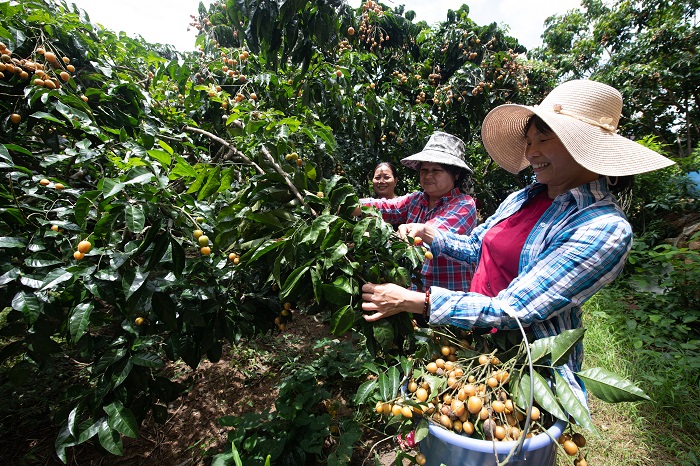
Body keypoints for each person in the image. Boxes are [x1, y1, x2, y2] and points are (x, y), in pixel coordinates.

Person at [360, 79, 675, 405]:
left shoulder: (604, 229)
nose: (531, 152)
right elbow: (476, 249)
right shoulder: (523, 197)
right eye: (528, 140)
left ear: (584, 145)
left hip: (525, 367)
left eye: (543, 138)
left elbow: (515, 309)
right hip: (471, 343)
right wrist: (432, 235)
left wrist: (415, 301)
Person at [356, 131, 477, 292]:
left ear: (456, 174)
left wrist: (371, 238)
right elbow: (387, 206)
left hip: (444, 301)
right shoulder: (416, 200)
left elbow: (425, 236)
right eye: (424, 170)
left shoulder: (463, 204)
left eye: (436, 170)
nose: (428, 176)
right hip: (413, 297)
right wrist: (351, 204)